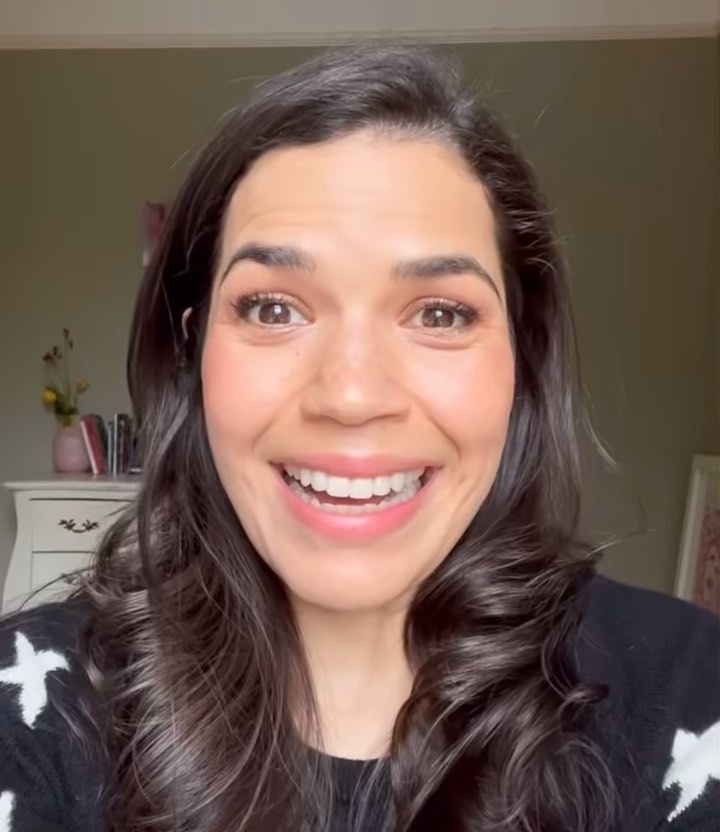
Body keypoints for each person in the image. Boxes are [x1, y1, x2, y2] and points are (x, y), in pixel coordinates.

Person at [0, 46, 717, 832]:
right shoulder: (32, 710)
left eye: (439, 314)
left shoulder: (687, 692)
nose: (350, 396)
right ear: (192, 350)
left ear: (522, 358)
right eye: (273, 308)